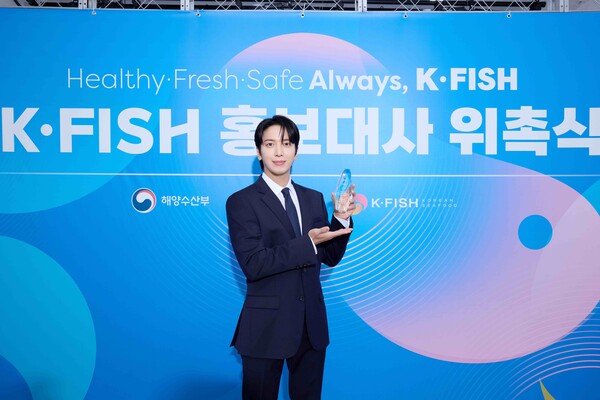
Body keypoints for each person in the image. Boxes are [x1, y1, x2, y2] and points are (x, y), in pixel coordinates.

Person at [226, 115, 355, 400]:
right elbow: (254, 264)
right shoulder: (241, 201)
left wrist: (340, 218)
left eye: (286, 144)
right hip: (265, 328)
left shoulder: (313, 198)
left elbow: (329, 256)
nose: (279, 151)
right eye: (270, 144)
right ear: (258, 151)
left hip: (311, 327)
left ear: (296, 151)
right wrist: (307, 242)